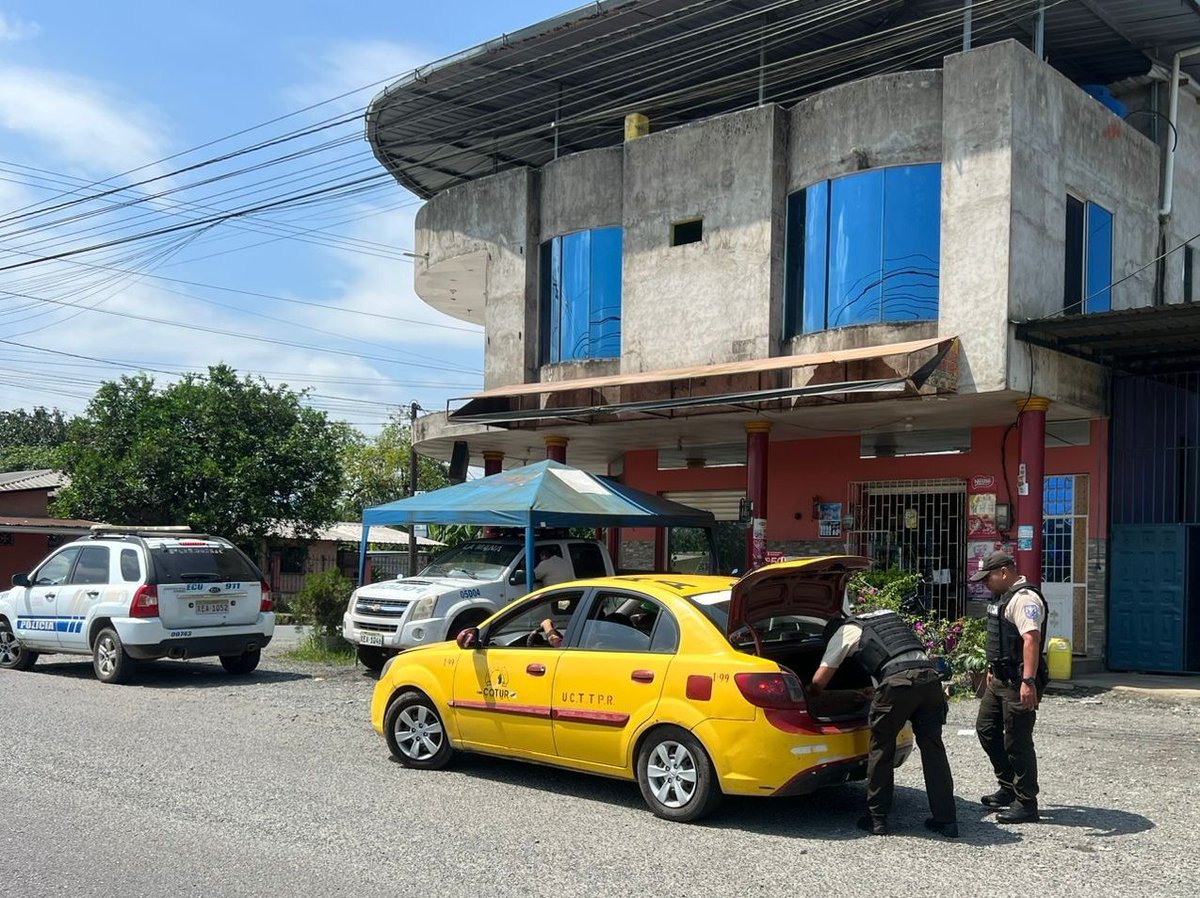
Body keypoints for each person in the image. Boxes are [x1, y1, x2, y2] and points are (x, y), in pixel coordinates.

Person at [811, 609, 958, 838]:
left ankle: (877, 819)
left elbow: (819, 681)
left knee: (882, 747)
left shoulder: (843, 633)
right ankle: (947, 821)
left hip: (899, 685)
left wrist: (810, 695)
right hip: (929, 681)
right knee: (933, 750)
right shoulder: (885, 619)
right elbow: (896, 660)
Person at [970, 549, 1048, 824]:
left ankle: (1027, 803)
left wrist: (1028, 681)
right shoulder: (1004, 598)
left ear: (1004, 572)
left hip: (1018, 682)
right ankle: (1008, 787)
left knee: (1018, 741)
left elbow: (1031, 640)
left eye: (987, 578)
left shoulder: (1025, 599)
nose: (985, 584)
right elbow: (1002, 640)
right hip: (999, 679)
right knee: (987, 729)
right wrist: (991, 669)